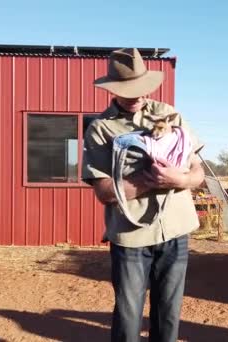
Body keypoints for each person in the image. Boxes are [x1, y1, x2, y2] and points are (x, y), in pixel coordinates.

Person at [82, 48, 205, 342]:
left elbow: (199, 173)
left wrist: (182, 178)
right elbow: (105, 192)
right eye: (128, 90)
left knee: (169, 315)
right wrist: (151, 180)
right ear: (114, 89)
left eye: (141, 88)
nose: (137, 96)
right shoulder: (101, 129)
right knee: (128, 317)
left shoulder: (170, 115)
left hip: (175, 233)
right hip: (131, 237)